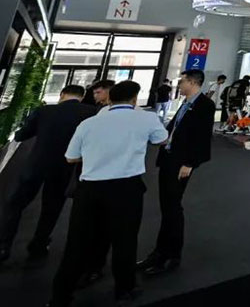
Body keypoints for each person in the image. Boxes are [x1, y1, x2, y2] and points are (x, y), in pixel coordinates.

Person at [49, 81, 169, 306]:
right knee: (125, 241)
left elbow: (71, 157)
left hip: (89, 190)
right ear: (135, 99)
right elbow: (162, 139)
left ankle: (60, 296)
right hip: (126, 189)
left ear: (110, 99)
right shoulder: (146, 118)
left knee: (76, 243)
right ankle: (125, 289)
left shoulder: (89, 123)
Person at [0, 85, 94, 265]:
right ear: (81, 97)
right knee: (52, 207)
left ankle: (4, 246)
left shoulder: (45, 111)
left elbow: (22, 135)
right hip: (65, 166)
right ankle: (39, 243)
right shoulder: (90, 113)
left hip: (36, 164)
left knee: (15, 203)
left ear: (62, 94)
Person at [139, 69, 215, 275]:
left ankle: (170, 255)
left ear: (193, 82)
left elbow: (202, 137)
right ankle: (159, 253)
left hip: (181, 163)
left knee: (172, 207)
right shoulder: (186, 103)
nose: (179, 85)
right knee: (167, 207)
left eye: (182, 81)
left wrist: (190, 163)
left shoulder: (204, 105)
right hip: (169, 159)